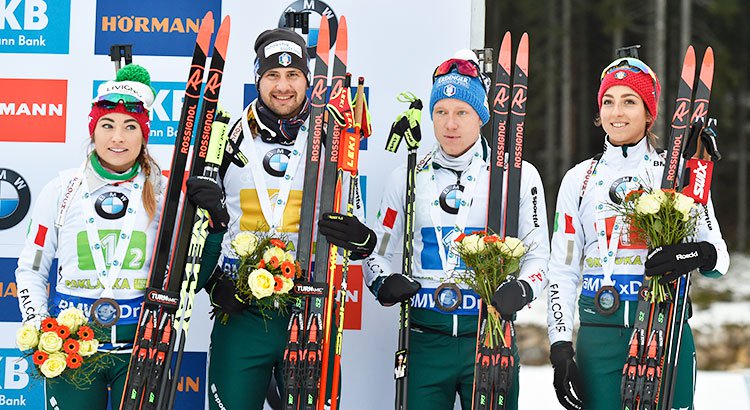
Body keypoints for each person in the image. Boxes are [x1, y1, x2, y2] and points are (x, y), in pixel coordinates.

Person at [186, 28, 375, 410]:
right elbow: (198, 231)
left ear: (308, 79)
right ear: (258, 77)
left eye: (293, 75)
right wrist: (213, 283)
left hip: (310, 305)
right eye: (273, 75)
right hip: (242, 308)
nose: (283, 86)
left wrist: (364, 241)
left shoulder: (332, 139)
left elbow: (357, 219)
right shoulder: (227, 138)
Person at [364, 51, 549, 410]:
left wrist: (524, 287)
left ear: (480, 116)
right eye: (441, 112)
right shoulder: (405, 174)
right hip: (424, 338)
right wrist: (383, 281)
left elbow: (540, 253)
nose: (450, 124)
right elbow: (379, 251)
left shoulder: (517, 175)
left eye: (462, 112)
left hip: (488, 335)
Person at [546, 55, 730, 410]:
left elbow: (718, 257)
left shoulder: (675, 174)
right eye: (608, 101)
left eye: (629, 101)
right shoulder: (580, 179)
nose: (617, 112)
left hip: (665, 329)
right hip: (600, 334)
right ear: (599, 112)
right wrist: (560, 345)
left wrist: (691, 255)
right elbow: (563, 269)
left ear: (649, 113)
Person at [15, 64, 163, 409]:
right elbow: (32, 266)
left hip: (138, 346)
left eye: (130, 128)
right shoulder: (61, 189)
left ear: (143, 135)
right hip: (72, 346)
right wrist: (37, 324)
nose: (117, 138)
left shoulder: (162, 192)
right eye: (107, 126)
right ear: (93, 131)